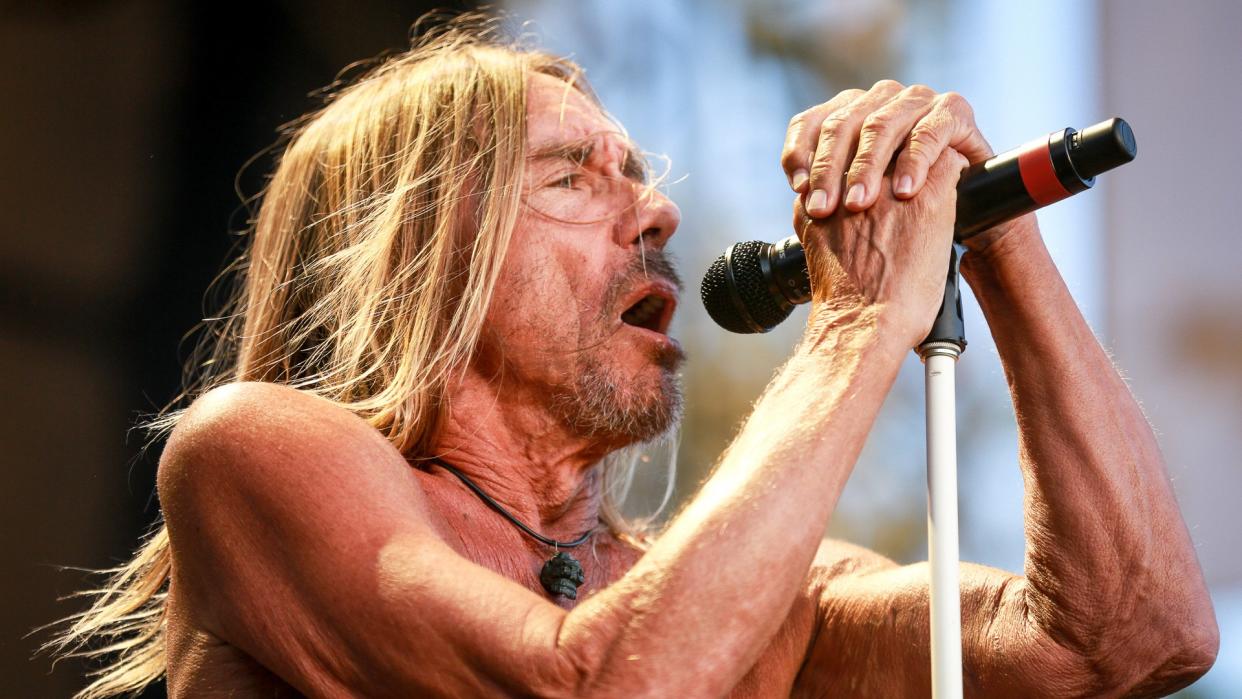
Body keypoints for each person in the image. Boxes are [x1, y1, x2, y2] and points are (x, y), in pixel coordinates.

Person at [54, 17, 1217, 698]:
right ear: (414, 248)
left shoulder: (767, 599)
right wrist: (861, 325)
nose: (655, 212)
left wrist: (990, 227)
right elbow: (603, 684)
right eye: (572, 175)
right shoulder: (257, 454)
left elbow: (1134, 635)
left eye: (638, 175)